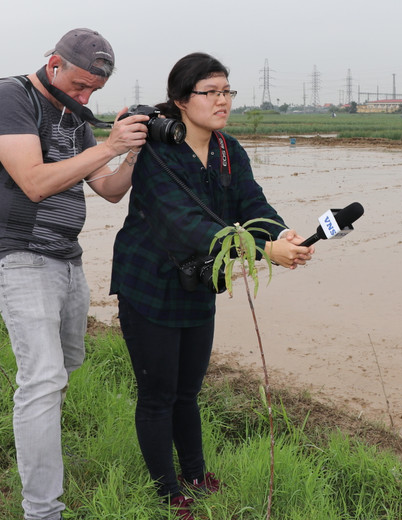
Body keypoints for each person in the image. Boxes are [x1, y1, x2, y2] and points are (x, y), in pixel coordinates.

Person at [110, 52, 314, 519]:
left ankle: (197, 474)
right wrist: (262, 252)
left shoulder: (228, 150)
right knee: (158, 393)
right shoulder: (157, 153)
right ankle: (167, 492)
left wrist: (280, 235)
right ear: (182, 100)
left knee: (188, 389)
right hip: (150, 284)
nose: (222, 101)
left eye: (227, 91)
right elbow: (185, 225)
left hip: (198, 283)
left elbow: (251, 201)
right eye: (210, 92)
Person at [0, 28, 148, 520]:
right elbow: (33, 181)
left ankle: (40, 443)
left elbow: (109, 189)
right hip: (17, 250)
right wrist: (109, 144)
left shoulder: (76, 117)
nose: (86, 97)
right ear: (53, 65)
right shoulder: (11, 96)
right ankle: (42, 510)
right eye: (79, 85)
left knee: (66, 366)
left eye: (95, 91)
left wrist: (132, 150)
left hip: (66, 256)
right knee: (43, 378)